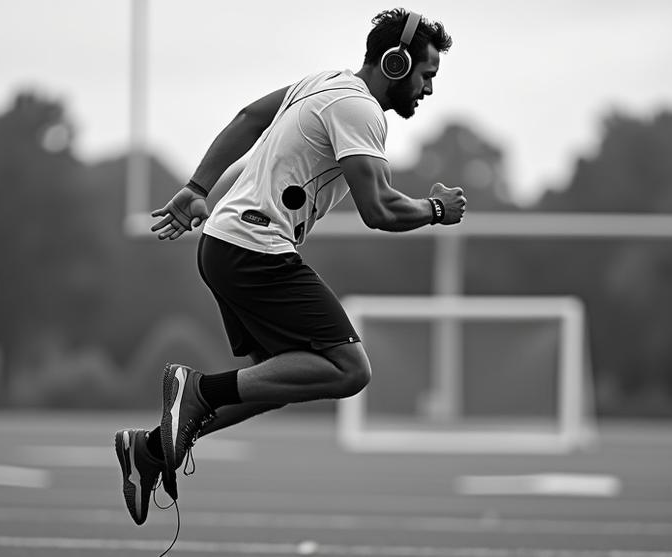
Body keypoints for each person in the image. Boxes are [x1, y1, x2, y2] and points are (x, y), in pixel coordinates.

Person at [115, 7, 463, 525]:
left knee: (277, 380)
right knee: (349, 368)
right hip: (255, 246)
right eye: (426, 74)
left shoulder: (323, 82)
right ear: (395, 62)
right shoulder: (360, 110)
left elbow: (249, 119)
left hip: (225, 244)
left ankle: (150, 450)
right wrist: (436, 210)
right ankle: (196, 390)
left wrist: (196, 187)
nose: (429, 90)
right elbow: (380, 210)